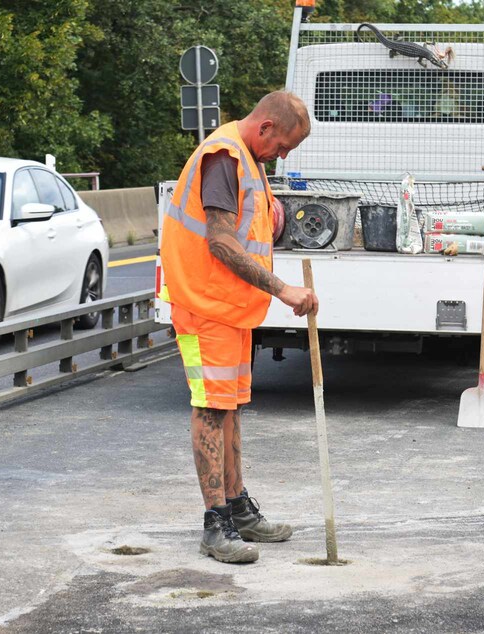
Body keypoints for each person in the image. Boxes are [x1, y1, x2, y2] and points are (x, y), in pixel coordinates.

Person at [159, 90, 318, 564]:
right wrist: (283, 289)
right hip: (204, 306)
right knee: (210, 409)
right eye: (284, 146)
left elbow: (253, 227)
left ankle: (238, 509)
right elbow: (222, 244)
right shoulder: (224, 157)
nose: (284, 156)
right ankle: (216, 525)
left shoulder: (249, 159)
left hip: (228, 309)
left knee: (229, 410)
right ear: (266, 126)